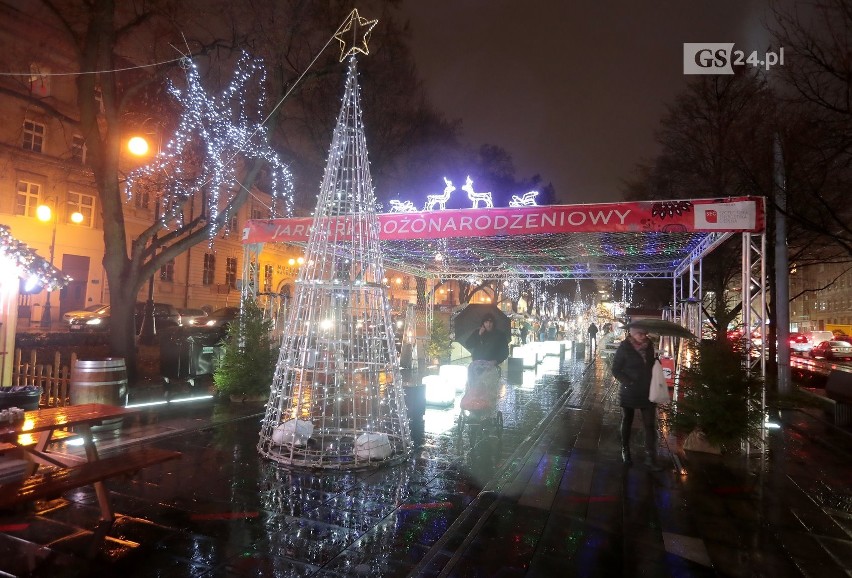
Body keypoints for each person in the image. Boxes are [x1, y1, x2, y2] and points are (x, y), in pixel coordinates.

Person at [611, 326, 665, 470]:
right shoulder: (624, 347)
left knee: (649, 425)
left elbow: (650, 364)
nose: (643, 335)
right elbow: (615, 369)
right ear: (632, 334)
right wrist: (629, 382)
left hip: (647, 390)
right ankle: (625, 450)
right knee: (627, 421)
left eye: (645, 333)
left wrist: (655, 363)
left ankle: (650, 458)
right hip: (629, 391)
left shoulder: (649, 346)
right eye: (640, 333)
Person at [461, 313, 510, 412]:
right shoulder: (478, 332)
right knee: (474, 387)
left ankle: (488, 407)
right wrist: (478, 335)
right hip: (476, 366)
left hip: (491, 366)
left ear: (493, 323)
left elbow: (505, 352)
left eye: (490, 322)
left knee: (488, 389)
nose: (488, 324)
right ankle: (474, 406)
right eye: (486, 322)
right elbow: (468, 344)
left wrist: (495, 361)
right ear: (483, 323)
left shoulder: (500, 335)